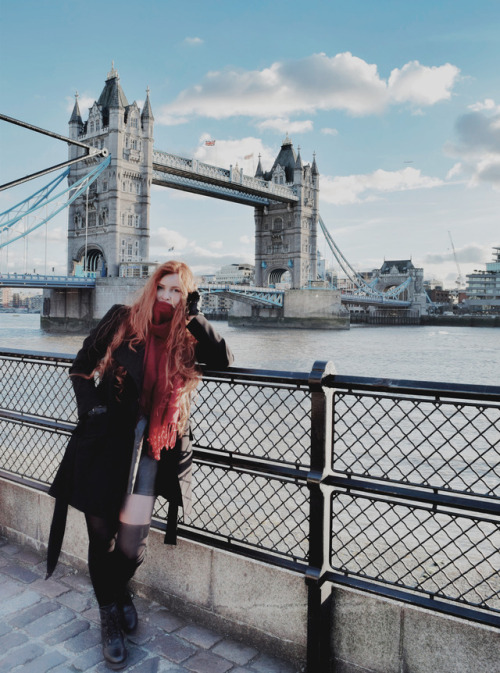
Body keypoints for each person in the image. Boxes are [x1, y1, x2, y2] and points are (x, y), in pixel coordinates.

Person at [46, 260, 233, 670]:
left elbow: (224, 361)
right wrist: (92, 410)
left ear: (186, 297)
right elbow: (80, 367)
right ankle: (110, 614)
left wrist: (197, 316)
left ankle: (115, 590)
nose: (167, 297)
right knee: (101, 536)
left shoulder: (189, 337)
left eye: (177, 292)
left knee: (130, 548)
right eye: (163, 288)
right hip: (106, 442)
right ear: (152, 288)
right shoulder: (123, 320)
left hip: (152, 449)